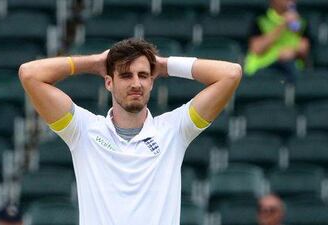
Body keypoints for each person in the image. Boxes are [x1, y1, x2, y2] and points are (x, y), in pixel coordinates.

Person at [19, 38, 242, 225]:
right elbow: (29, 74)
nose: (136, 83)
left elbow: (231, 74)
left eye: (143, 75)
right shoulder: (82, 130)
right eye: (126, 75)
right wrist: (94, 62)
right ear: (108, 82)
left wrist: (163, 65)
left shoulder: (174, 130)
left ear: (152, 81)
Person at [244, 0, 310, 83]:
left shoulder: (301, 21)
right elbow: (256, 49)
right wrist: (283, 25)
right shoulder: (261, 18)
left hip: (290, 68)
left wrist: (294, 52)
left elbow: (304, 47)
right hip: (262, 68)